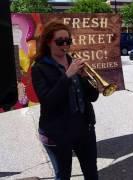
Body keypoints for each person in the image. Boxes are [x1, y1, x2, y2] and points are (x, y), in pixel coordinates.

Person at [31, 20, 99, 180]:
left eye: (68, 41)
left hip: (84, 129)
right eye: (60, 41)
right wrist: (68, 75)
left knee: (91, 173)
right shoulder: (39, 68)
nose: (65, 45)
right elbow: (48, 102)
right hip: (57, 132)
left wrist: (87, 80)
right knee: (63, 175)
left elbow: (92, 97)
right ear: (48, 41)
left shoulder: (73, 62)